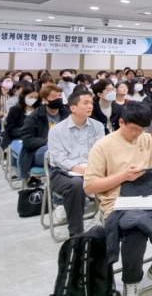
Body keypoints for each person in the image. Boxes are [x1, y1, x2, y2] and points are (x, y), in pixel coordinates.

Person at [83, 102, 152, 296]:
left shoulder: (148, 138)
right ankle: (131, 281)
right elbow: (90, 186)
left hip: (151, 192)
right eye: (133, 129)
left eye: (142, 129)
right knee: (135, 230)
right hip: (119, 198)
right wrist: (123, 176)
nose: (137, 134)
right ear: (121, 122)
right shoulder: (103, 146)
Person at [48, 90, 105, 235]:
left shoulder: (97, 126)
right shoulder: (56, 131)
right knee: (76, 184)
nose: (90, 106)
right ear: (73, 108)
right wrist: (81, 170)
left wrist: (93, 169)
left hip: (92, 169)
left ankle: (110, 228)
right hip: (62, 173)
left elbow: (102, 152)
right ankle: (76, 234)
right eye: (85, 103)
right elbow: (59, 159)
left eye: (91, 103)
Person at [19, 84, 70, 181]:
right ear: (45, 100)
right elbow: (27, 139)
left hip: (65, 149)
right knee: (54, 152)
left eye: (59, 96)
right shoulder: (35, 116)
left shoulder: (67, 113)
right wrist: (48, 141)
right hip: (40, 151)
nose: (58, 99)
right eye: (53, 97)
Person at [2, 83, 40, 150]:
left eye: (36, 98)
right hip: (19, 138)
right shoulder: (14, 110)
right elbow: (11, 130)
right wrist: (26, 131)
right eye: (31, 97)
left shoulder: (40, 109)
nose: (33, 99)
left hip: (37, 138)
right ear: (24, 96)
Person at [0, 75, 15, 149]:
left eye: (11, 81)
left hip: (11, 119)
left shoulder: (14, 96)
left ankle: (9, 149)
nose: (10, 83)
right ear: (1, 83)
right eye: (8, 81)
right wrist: (3, 114)